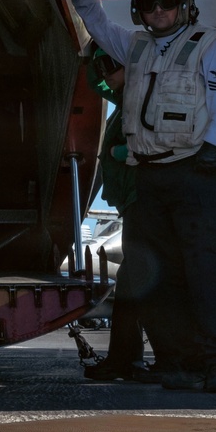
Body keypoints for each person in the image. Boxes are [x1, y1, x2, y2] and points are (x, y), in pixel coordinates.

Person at [71, 0, 216, 392]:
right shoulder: (137, 47)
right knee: (156, 276)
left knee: (210, 270)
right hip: (148, 180)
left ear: (184, 5)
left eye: (167, 1)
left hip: (196, 173)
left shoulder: (210, 44)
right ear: (139, 12)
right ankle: (176, 362)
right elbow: (101, 28)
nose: (159, 10)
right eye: (149, 4)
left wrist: (213, 148)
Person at [80, 48, 158, 384]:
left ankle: (129, 360)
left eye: (112, 64)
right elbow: (97, 84)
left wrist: (116, 152)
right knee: (132, 286)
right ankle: (129, 360)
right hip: (132, 203)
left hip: (143, 201)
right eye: (103, 65)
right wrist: (87, 54)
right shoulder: (122, 94)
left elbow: (155, 141)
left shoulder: (139, 97)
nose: (105, 72)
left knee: (133, 287)